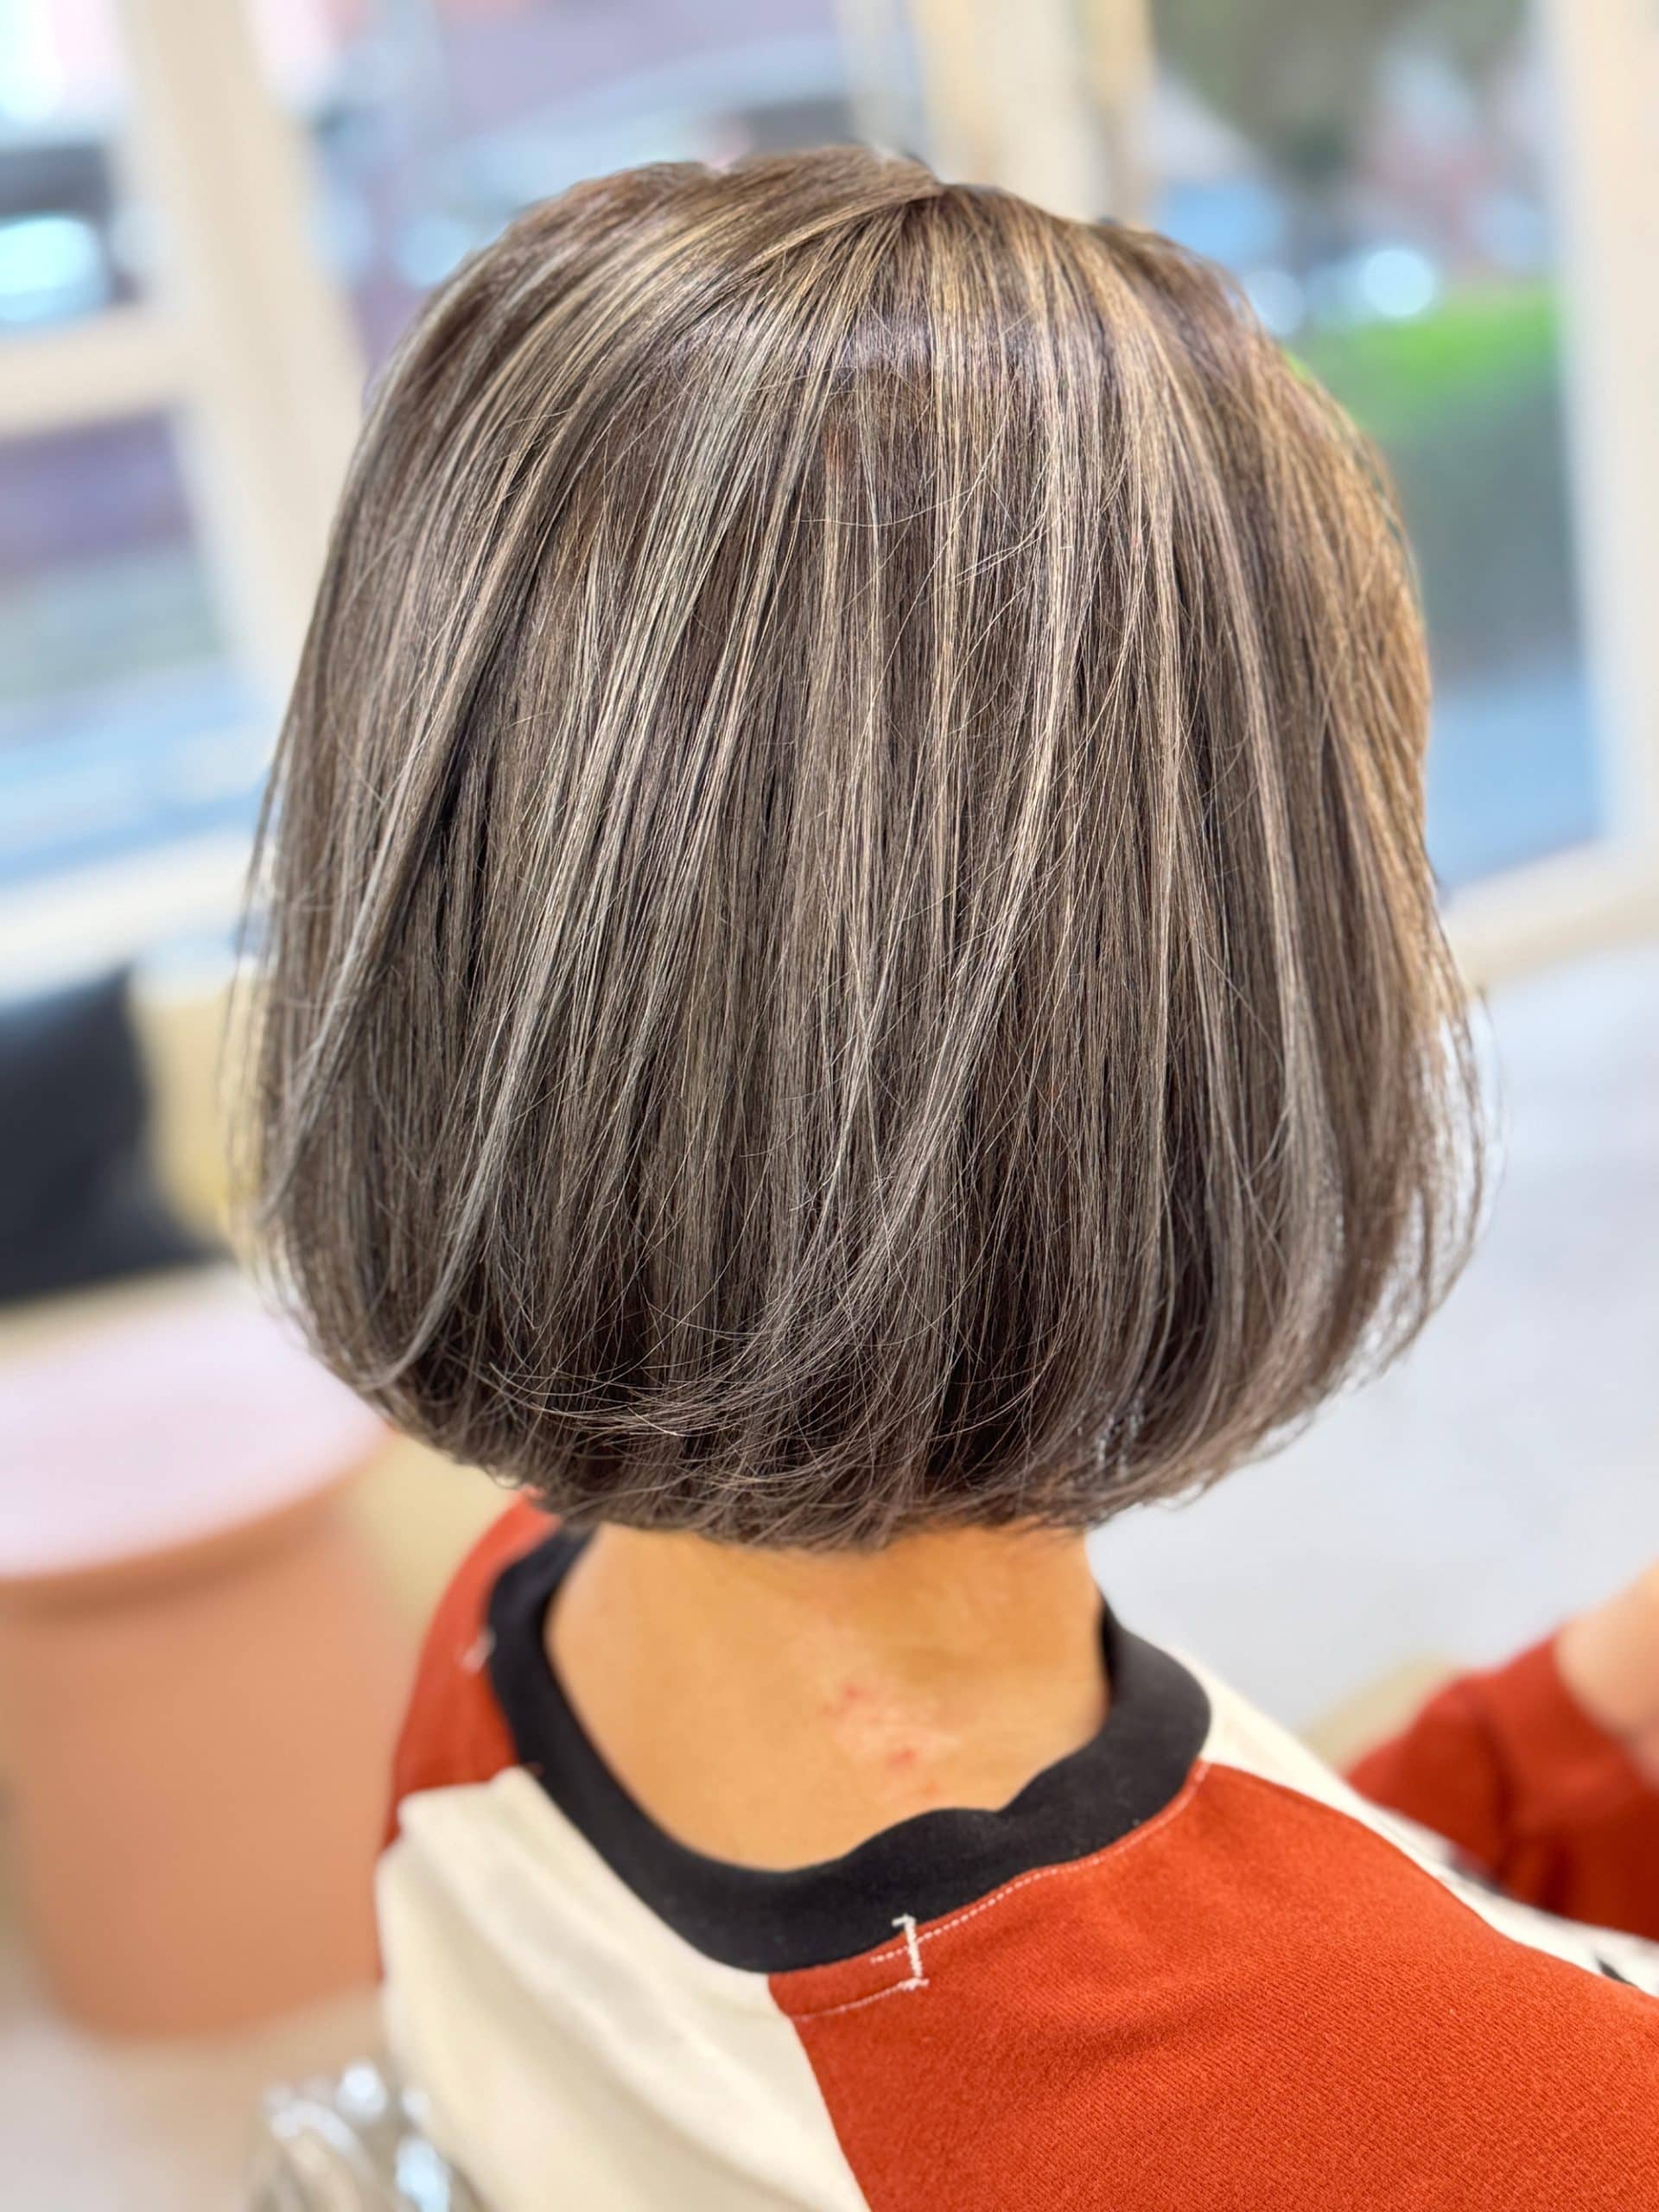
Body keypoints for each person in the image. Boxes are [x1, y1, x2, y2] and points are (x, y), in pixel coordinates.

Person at [244, 149, 1659, 2209]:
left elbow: (1164, 2031)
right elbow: (1298, 2079)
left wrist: (1577, 1726)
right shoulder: (1548, 2131)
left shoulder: (499, 1641)